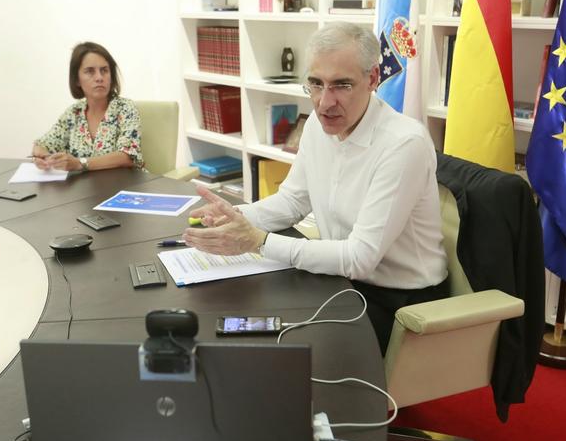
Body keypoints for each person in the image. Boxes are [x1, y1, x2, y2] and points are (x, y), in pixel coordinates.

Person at [183, 22, 448, 354]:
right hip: (342, 279)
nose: (324, 103)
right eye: (315, 84)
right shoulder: (317, 127)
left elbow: (359, 258)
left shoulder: (403, 143)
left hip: (399, 301)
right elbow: (293, 202)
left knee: (289, 348)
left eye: (341, 85)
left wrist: (258, 241)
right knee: (243, 317)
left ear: (373, 78)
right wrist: (233, 216)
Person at [31, 42, 144, 172]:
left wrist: (80, 163)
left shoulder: (126, 108)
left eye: (104, 70)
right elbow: (43, 144)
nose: (99, 78)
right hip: (85, 189)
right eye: (90, 71)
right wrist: (41, 156)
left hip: (125, 186)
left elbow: (127, 156)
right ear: (77, 80)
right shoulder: (73, 113)